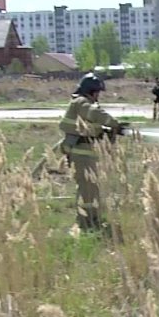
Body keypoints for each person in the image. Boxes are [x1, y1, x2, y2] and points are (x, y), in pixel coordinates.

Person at [58, 73, 127, 232]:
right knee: (86, 189)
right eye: (97, 92)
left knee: (92, 188)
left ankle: (92, 219)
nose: (98, 96)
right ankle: (85, 222)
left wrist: (105, 131)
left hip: (85, 152)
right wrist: (114, 124)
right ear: (91, 91)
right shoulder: (82, 102)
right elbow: (94, 114)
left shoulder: (79, 103)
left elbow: (90, 128)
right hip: (81, 154)